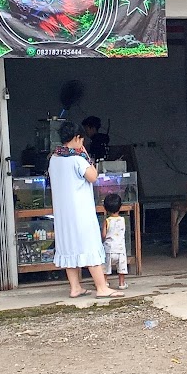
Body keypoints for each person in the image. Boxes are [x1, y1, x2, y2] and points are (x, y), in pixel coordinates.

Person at [47, 121, 124, 299]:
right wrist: (86, 156)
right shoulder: (77, 159)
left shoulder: (54, 158)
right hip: (80, 211)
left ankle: (75, 287)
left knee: (69, 247)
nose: (82, 143)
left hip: (63, 213)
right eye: (81, 139)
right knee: (90, 246)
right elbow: (93, 176)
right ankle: (102, 288)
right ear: (76, 138)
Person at [101, 193, 129, 290]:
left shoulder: (107, 221)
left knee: (105, 267)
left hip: (109, 249)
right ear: (120, 207)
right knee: (121, 267)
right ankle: (121, 283)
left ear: (105, 208)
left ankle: (105, 282)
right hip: (120, 249)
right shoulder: (122, 220)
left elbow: (104, 235)